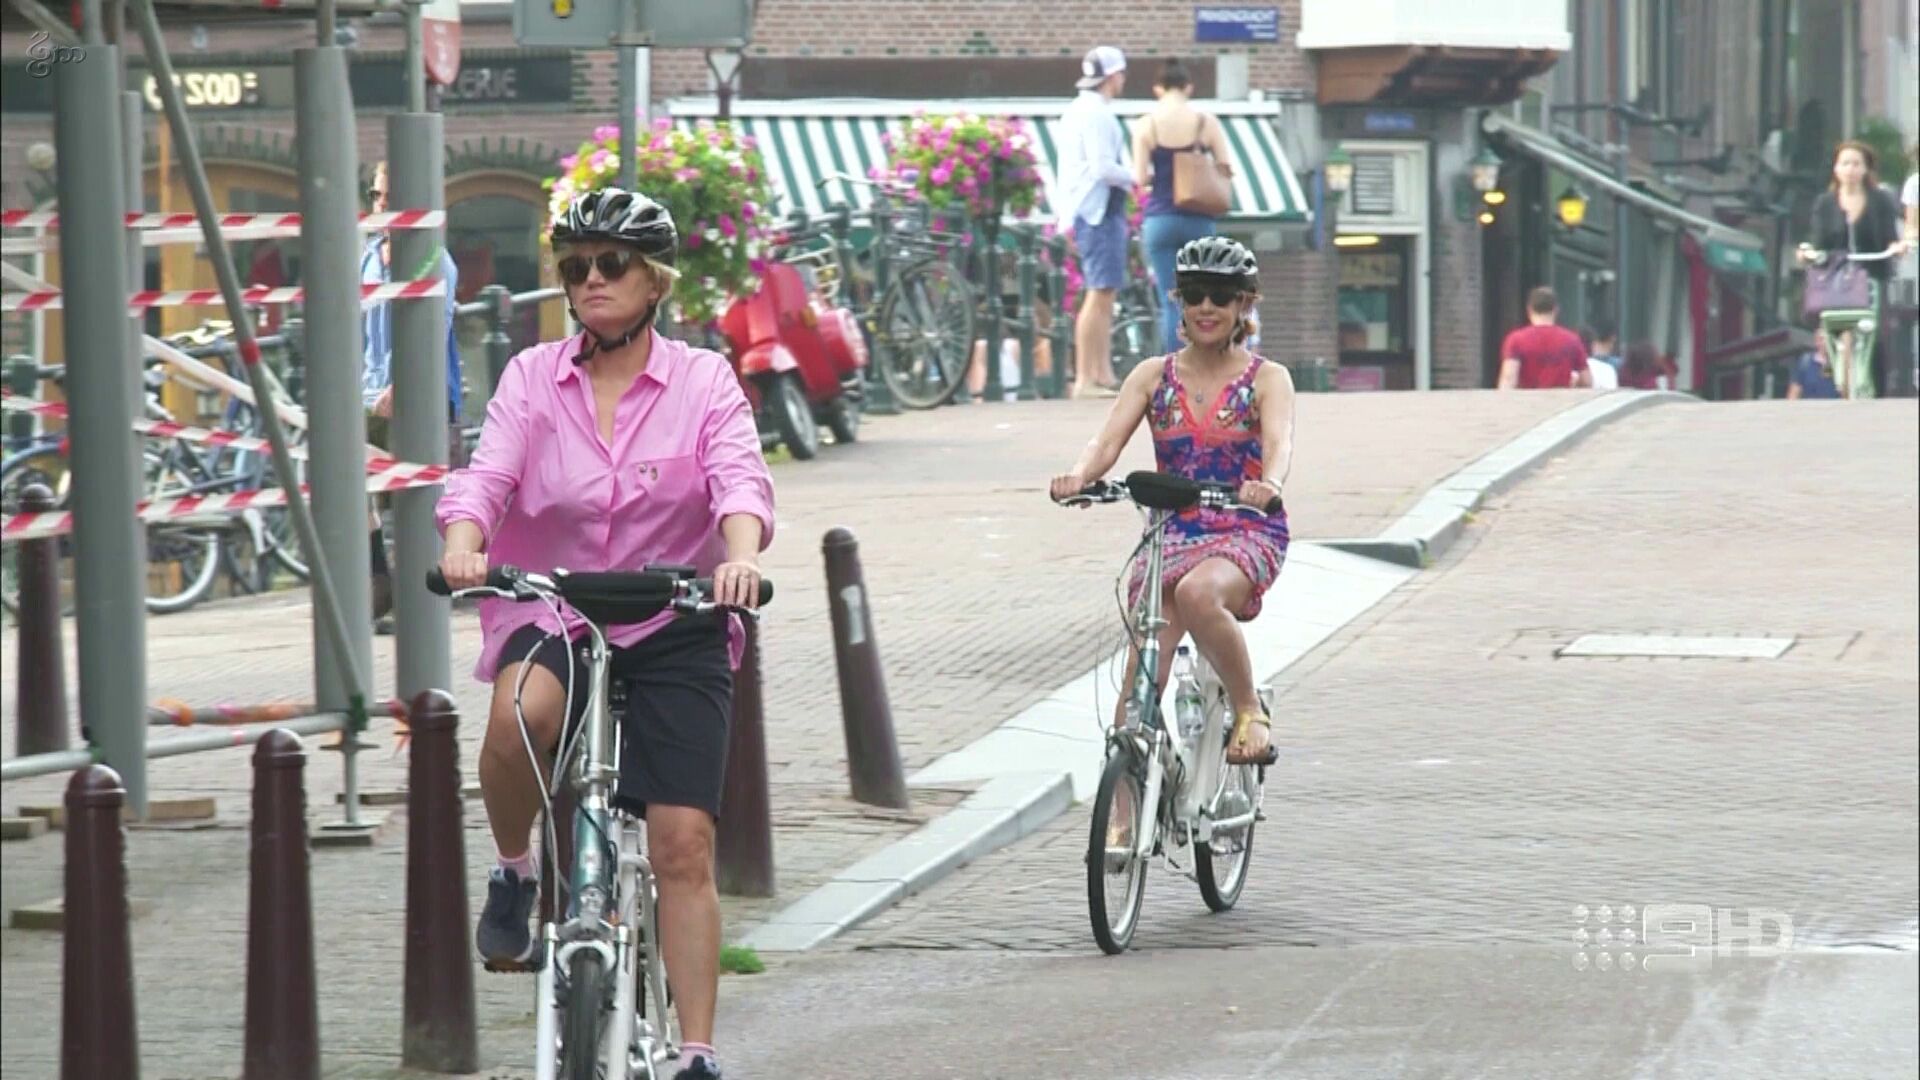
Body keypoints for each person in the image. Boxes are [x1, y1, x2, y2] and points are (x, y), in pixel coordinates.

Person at [433, 188, 774, 1080]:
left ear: (654, 281)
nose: (590, 279)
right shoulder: (531, 377)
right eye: (575, 266)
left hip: (674, 615)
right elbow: (486, 475)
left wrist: (739, 560)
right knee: (517, 721)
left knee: (682, 843)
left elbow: (739, 479)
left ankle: (696, 1053)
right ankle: (516, 871)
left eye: (611, 264)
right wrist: (464, 544)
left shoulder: (703, 381)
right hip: (558, 605)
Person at [1048, 237, 1293, 765]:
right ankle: (1127, 801)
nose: (1206, 307)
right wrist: (1079, 477)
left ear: (1243, 304)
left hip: (1244, 525)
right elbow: (1105, 443)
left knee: (1199, 593)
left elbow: (1279, 444)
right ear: (1178, 300)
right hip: (1172, 532)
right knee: (1139, 687)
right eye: (1194, 294)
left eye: (1220, 296)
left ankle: (1249, 709)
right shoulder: (1152, 375)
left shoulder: (1268, 379)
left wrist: (1269, 485)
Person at [363, 161, 467, 627]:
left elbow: (432, 329)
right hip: (368, 393)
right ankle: (378, 578)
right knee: (347, 482)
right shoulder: (367, 258)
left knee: (412, 501)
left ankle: (415, 601)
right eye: (376, 195)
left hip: (418, 398)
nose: (381, 204)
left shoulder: (433, 259)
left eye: (390, 196)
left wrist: (402, 383)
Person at [1134, 58, 1232, 355]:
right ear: (1188, 87)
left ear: (1158, 89)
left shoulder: (1146, 124)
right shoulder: (1206, 122)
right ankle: (1205, 361)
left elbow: (1139, 178)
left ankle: (1175, 365)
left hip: (1160, 219)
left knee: (1171, 300)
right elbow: (1225, 166)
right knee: (1203, 299)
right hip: (1198, 220)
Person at [1798, 140, 1909, 396]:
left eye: (1856, 163)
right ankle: (1835, 361)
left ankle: (1877, 387)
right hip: (1835, 278)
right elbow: (1817, 241)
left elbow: (1890, 237)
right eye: (1845, 163)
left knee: (1877, 335)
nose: (1850, 169)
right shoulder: (1825, 203)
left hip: (1871, 276)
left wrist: (1896, 247)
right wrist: (1808, 252)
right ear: (1836, 168)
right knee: (1831, 328)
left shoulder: (1880, 201)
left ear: (1866, 168)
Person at [1057, 45, 1134, 398]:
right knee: (1099, 292)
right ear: (1113, 77)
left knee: (1104, 292)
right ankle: (1087, 378)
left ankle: (1101, 373)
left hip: (1087, 210)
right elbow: (1102, 167)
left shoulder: (1077, 110)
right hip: (1098, 210)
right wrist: (1136, 176)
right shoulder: (1098, 114)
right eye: (1121, 74)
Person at [1497, 286, 1591, 390]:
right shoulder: (1572, 340)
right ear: (1556, 309)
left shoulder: (1516, 340)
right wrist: (1575, 384)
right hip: (1561, 399)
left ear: (1529, 309)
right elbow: (1587, 381)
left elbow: (1509, 379)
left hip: (1528, 399)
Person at [1788, 332, 1841, 400]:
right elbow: (1794, 391)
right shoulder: (1805, 362)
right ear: (1816, 342)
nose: (1825, 343)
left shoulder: (1839, 363)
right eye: (1821, 339)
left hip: (1834, 406)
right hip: (1810, 406)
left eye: (1828, 339)